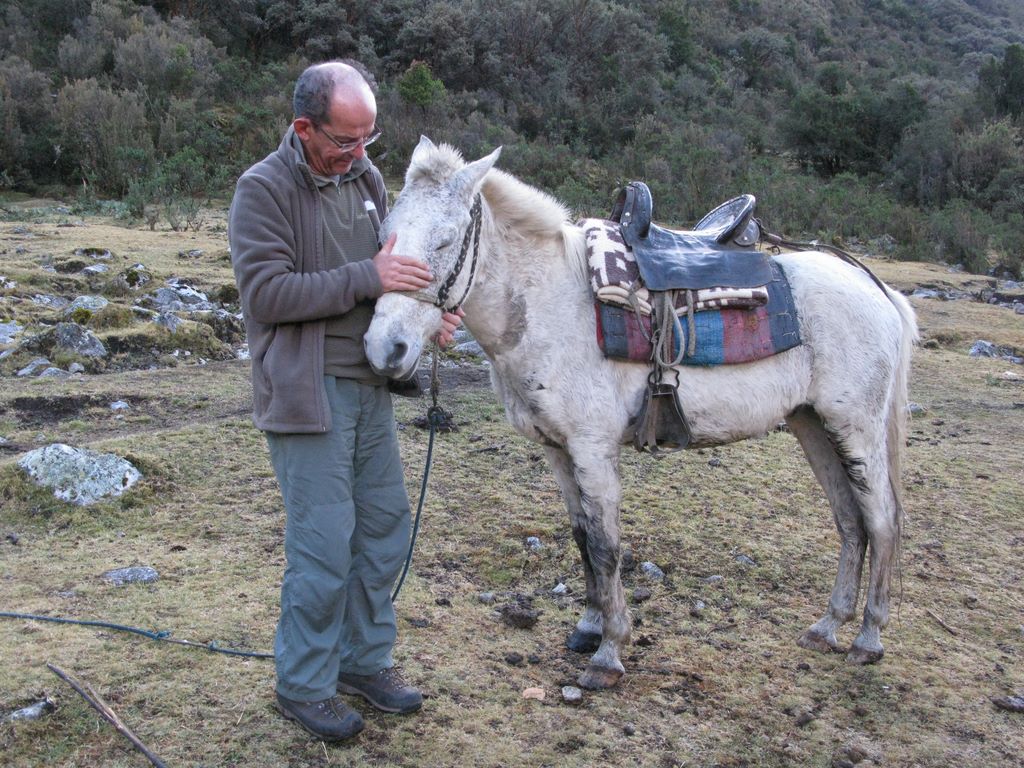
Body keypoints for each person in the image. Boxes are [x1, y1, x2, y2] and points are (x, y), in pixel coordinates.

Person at [228, 61, 462, 742]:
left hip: (369, 386)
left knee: (384, 531)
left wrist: (428, 315)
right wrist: (369, 273)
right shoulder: (262, 189)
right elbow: (267, 295)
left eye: (369, 139)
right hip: (307, 395)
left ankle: (363, 662)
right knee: (324, 545)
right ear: (305, 127)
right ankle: (304, 683)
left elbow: (394, 279)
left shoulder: (365, 179)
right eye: (344, 140)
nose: (360, 154)